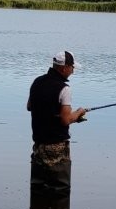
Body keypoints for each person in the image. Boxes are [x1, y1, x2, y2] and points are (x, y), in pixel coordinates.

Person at [27, 50, 87, 194]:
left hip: (39, 146)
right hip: (57, 147)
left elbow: (29, 106)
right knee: (60, 190)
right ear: (64, 67)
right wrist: (79, 113)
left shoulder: (37, 81)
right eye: (72, 67)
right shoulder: (64, 89)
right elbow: (65, 120)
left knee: (38, 187)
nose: (73, 71)